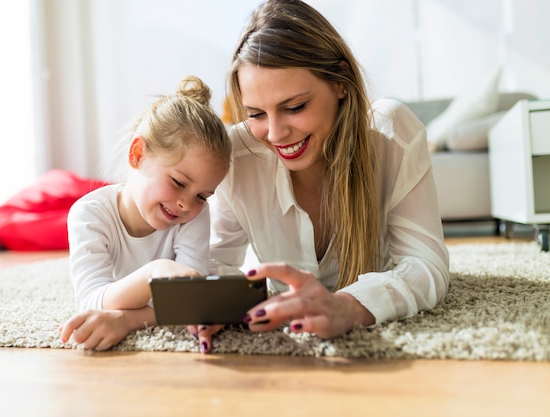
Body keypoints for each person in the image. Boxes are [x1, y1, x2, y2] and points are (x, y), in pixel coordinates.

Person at [189, 0, 450, 353]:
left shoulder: (391, 133)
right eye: (256, 114)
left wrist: (346, 306)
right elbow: (220, 260)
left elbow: (425, 264)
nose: (276, 134)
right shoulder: (237, 154)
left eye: (294, 107)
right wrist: (215, 301)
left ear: (340, 82)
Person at [59, 76, 231, 351]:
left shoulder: (196, 215)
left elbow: (190, 304)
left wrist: (127, 321)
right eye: (178, 182)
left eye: (202, 195)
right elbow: (89, 302)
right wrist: (155, 274)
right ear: (138, 154)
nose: (187, 204)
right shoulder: (89, 215)